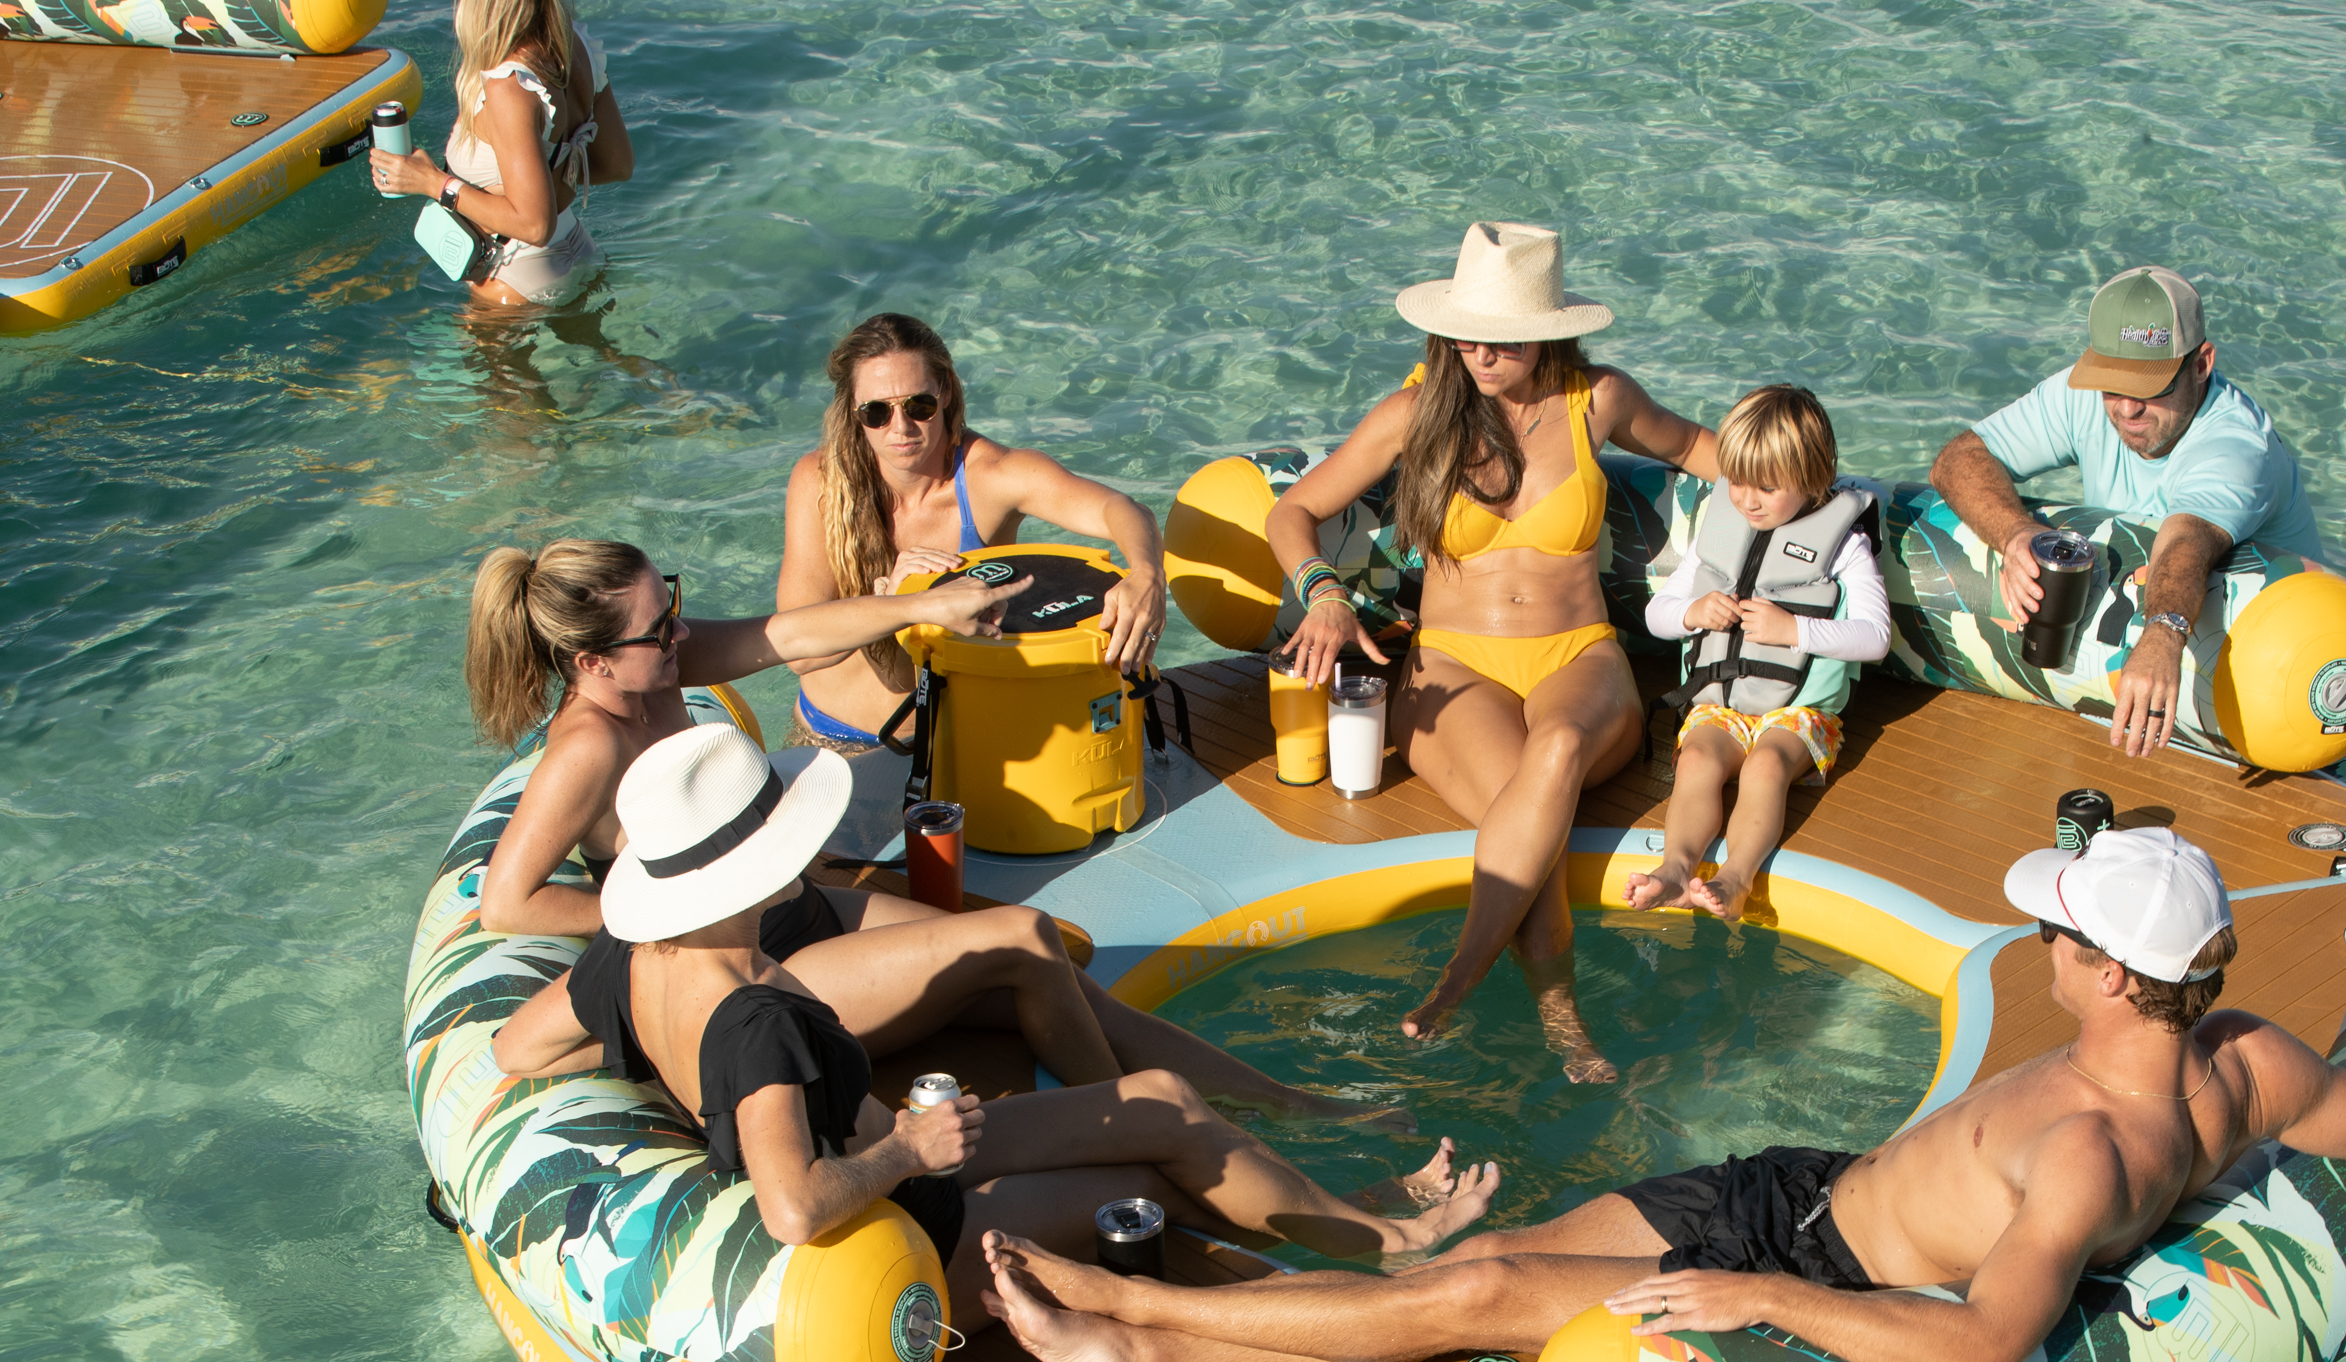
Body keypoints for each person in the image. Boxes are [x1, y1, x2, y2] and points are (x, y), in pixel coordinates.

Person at [973, 828, 2346, 1362]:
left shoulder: (2087, 1146)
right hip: (1799, 1194)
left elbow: (1975, 1352)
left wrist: (1765, 1298)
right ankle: (1150, 1361)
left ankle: (1128, 1303)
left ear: (2102, 972)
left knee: (1480, 1293)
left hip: (1809, 1278)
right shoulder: (2250, 1061)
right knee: (1480, 1263)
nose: (2044, 947)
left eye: (2057, 934)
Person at [492, 729, 1501, 1311]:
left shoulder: (631, 957)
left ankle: (1350, 1208)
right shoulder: (754, 1017)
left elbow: (513, 1045)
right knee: (1152, 1175)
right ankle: (1388, 1241)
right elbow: (793, 1207)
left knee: (1159, 1097)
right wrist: (910, 1150)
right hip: (916, 1217)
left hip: (904, 1150)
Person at [467, 540, 1392, 1123]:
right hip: (748, 959)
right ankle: (1127, 1120)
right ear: (591, 661)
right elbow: (506, 906)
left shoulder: (658, 671)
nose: (679, 631)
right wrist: (661, 915)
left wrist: (924, 608)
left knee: (1050, 969)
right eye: (657, 628)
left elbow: (791, 632)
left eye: (671, 605)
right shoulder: (586, 747)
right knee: (1023, 936)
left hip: (799, 916)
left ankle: (1288, 1103)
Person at [1266, 223, 1723, 1082]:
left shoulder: (1601, 400)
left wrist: (1809, 498)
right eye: (1463, 332)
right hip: (1451, 664)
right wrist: (1323, 593)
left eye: (1499, 336)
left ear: (1549, 333)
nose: (1476, 352)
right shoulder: (1415, 412)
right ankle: (1559, 1010)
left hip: (1579, 654)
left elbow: (1709, 450)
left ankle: (1460, 975)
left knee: (1551, 753)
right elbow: (1291, 512)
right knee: (1532, 816)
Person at [777, 312, 1171, 861]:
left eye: (919, 405)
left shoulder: (990, 476)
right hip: (833, 743)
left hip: (953, 750)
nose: (901, 427)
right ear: (852, 413)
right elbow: (798, 651)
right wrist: (896, 599)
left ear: (946, 393)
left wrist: (1149, 577)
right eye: (877, 411)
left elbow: (1121, 509)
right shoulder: (821, 483)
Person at [1928, 267, 2324, 759]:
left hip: (2279, 671)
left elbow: (2186, 542)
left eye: (2151, 386)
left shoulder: (2238, 448)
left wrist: (2163, 634)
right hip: (2132, 663)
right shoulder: (2086, 397)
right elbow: (1958, 459)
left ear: (2201, 365)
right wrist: (2015, 535)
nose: (2127, 408)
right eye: (2112, 385)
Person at [1624, 385, 1891, 921]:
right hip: (1718, 704)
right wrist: (1693, 613)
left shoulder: (1844, 543)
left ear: (1812, 476)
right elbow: (1658, 614)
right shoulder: (1721, 522)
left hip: (1801, 713)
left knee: (1765, 767)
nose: (1747, 500)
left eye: (1768, 487)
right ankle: (1676, 869)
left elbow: (1875, 637)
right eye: (1739, 481)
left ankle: (1735, 879)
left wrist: (1795, 629)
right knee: (1697, 759)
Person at [368, 0, 632, 312]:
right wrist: (545, 181)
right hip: (579, 249)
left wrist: (432, 182)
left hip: (514, 278)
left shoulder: (509, 86)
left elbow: (534, 225)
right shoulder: (576, 47)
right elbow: (618, 164)